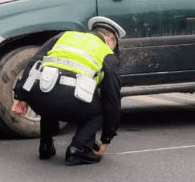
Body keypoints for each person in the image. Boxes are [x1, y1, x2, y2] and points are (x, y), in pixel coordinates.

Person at [11, 17, 125, 165]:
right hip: (70, 102)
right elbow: (112, 100)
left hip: (37, 97)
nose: (113, 51)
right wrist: (106, 139)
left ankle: (45, 145)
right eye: (115, 46)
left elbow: (34, 62)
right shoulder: (107, 54)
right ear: (110, 39)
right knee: (101, 110)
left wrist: (20, 97)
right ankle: (78, 149)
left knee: (50, 87)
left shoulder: (64, 36)